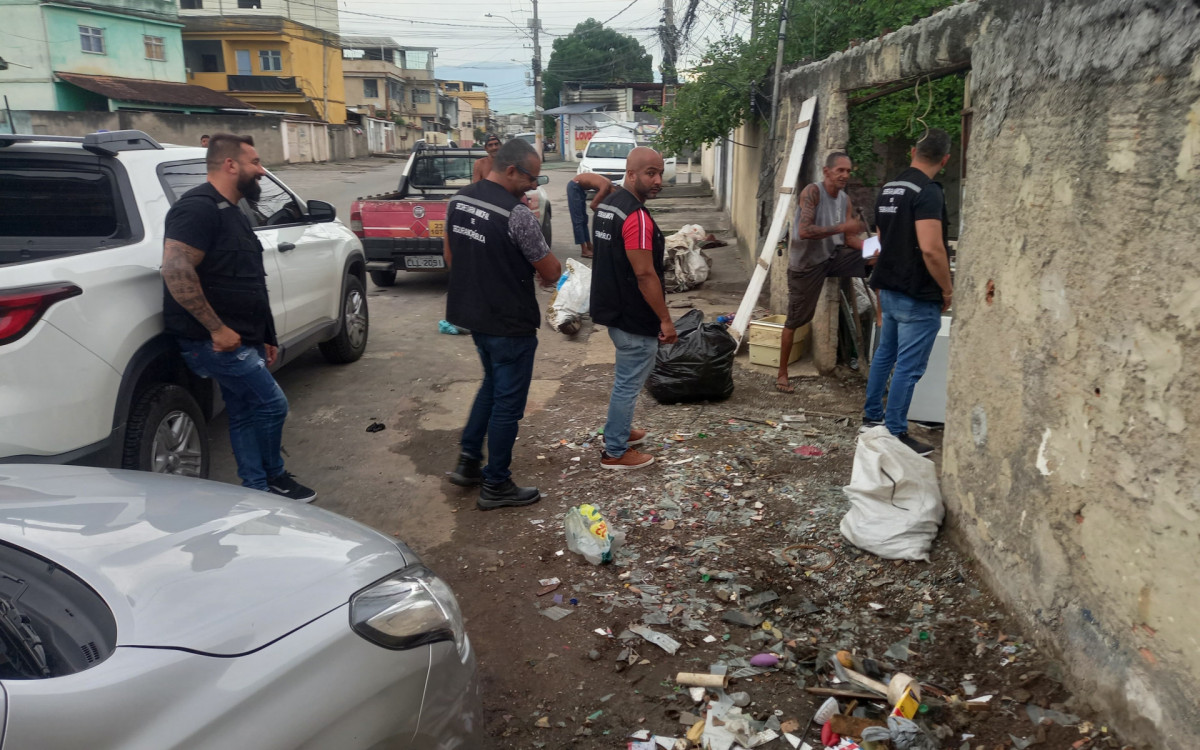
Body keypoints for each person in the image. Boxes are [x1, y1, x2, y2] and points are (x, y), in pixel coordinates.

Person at [161, 133, 315, 501]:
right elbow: (175, 270)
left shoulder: (233, 210)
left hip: (243, 336)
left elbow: (249, 281)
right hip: (214, 341)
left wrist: (266, 335)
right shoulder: (196, 209)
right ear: (230, 165)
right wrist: (217, 330)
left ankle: (257, 487)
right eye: (255, 162)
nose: (261, 171)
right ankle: (273, 476)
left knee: (244, 410)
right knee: (272, 405)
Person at [444, 139, 562, 510]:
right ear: (511, 170)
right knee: (508, 405)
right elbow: (551, 270)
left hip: (473, 315)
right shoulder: (516, 214)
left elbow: (451, 256)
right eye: (531, 177)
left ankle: (468, 461)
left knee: (492, 385)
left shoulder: (459, 200)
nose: (534, 185)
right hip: (509, 322)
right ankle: (496, 483)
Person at [862, 128, 954, 457]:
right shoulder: (927, 192)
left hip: (888, 287)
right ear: (945, 159)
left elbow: (879, 240)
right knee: (908, 367)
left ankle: (872, 418)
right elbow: (931, 248)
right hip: (917, 293)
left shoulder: (889, 188)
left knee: (885, 355)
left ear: (913, 151)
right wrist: (947, 289)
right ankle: (895, 431)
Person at [590, 147, 676, 471]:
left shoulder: (608, 206)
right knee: (628, 383)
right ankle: (615, 450)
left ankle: (620, 430)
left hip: (613, 309)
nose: (658, 181)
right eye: (650, 173)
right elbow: (644, 274)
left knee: (625, 380)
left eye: (660, 173)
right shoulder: (635, 217)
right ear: (631, 174)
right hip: (632, 315)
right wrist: (665, 320)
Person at [776, 152, 868, 393]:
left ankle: (881, 315)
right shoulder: (812, 192)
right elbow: (804, 231)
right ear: (827, 171)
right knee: (796, 320)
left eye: (848, 171)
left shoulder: (845, 200)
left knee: (875, 258)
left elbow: (849, 238)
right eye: (840, 170)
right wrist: (842, 227)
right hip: (806, 265)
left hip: (832, 257)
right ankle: (782, 374)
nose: (845, 175)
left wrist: (873, 246)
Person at [567, 172, 614, 258]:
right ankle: (584, 250)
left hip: (580, 188)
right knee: (578, 220)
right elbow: (593, 205)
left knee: (584, 219)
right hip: (574, 186)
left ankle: (589, 246)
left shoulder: (609, 185)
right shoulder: (606, 187)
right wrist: (605, 217)